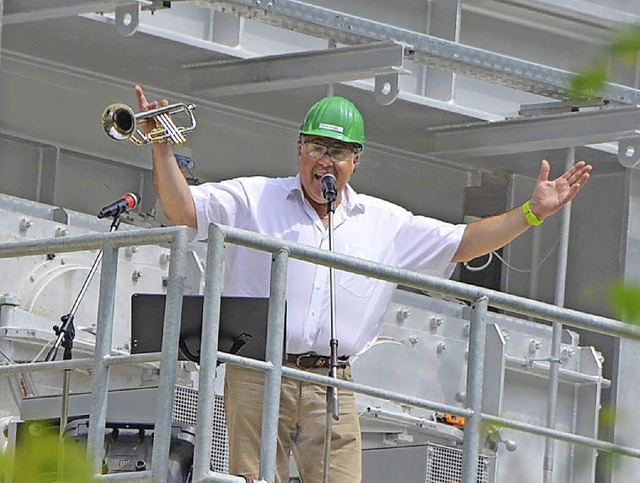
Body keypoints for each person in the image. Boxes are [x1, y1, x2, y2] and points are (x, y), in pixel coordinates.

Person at [135, 85, 591, 482]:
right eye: (315, 148)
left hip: (333, 379)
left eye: (336, 153)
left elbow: (464, 242)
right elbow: (183, 210)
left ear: (356, 160)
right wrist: (162, 150)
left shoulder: (383, 223)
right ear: (299, 150)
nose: (324, 162)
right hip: (259, 370)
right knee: (251, 481)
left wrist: (532, 213)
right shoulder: (257, 198)